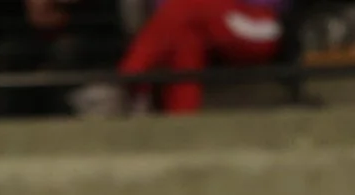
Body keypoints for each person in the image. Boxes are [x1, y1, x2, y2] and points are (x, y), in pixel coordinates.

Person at [119, 0, 284, 114]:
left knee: (185, 6)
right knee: (186, 40)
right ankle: (182, 121)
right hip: (204, 21)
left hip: (263, 24)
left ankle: (130, 79)